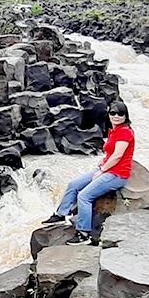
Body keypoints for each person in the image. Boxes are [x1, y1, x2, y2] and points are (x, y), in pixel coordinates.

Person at [44, 100, 135, 244]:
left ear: (125, 116)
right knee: (74, 184)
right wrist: (103, 161)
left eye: (120, 113)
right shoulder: (114, 130)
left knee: (84, 196)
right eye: (113, 113)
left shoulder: (125, 132)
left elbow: (118, 155)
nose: (116, 116)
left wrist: (103, 170)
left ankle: (84, 234)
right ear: (109, 114)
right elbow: (112, 153)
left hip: (117, 175)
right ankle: (61, 214)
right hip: (107, 169)